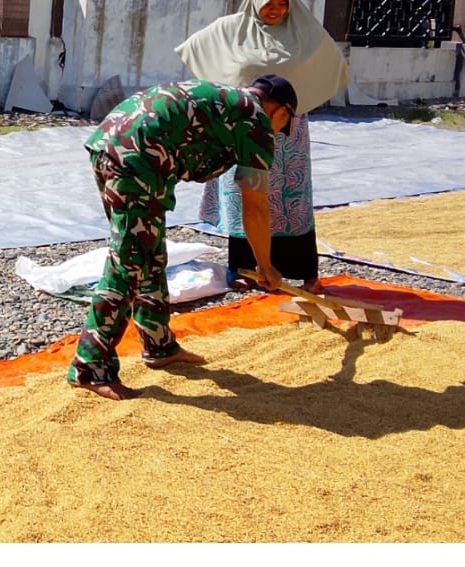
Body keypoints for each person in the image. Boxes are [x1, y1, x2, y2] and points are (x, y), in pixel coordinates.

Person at [68, 74, 298, 400]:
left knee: (148, 251)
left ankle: (158, 345)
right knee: (130, 261)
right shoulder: (256, 120)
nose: (277, 133)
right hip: (136, 159)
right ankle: (89, 368)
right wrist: (266, 265)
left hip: (114, 144)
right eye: (283, 125)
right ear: (281, 111)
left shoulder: (229, 100)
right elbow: (256, 206)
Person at [177, 0, 350, 286]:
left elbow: (331, 61)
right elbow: (196, 48)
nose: (275, 9)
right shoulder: (231, 29)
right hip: (242, 127)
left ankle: (303, 271)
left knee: (290, 199)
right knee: (246, 193)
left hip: (287, 132)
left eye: (283, 2)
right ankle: (244, 267)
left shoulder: (304, 32)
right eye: (269, 1)